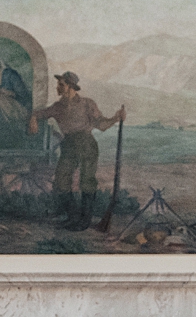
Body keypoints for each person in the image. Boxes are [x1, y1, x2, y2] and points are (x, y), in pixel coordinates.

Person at [27, 71, 125, 231]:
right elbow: (41, 113)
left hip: (86, 143)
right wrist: (33, 118)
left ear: (71, 86)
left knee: (87, 181)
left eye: (61, 85)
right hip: (68, 144)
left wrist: (116, 118)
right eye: (58, 84)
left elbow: (101, 125)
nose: (57, 87)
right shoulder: (58, 106)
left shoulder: (87, 104)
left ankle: (84, 221)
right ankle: (72, 217)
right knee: (61, 180)